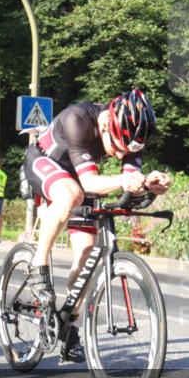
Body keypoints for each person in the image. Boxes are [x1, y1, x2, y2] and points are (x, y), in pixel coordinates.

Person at [21, 89, 172, 363]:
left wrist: (148, 184)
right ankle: (38, 263)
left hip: (81, 178)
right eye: (117, 148)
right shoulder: (78, 118)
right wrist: (123, 180)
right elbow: (90, 183)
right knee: (70, 194)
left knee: (87, 258)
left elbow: (129, 180)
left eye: (127, 151)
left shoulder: (131, 137)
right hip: (45, 162)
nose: (120, 155)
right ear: (105, 124)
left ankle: (67, 325)